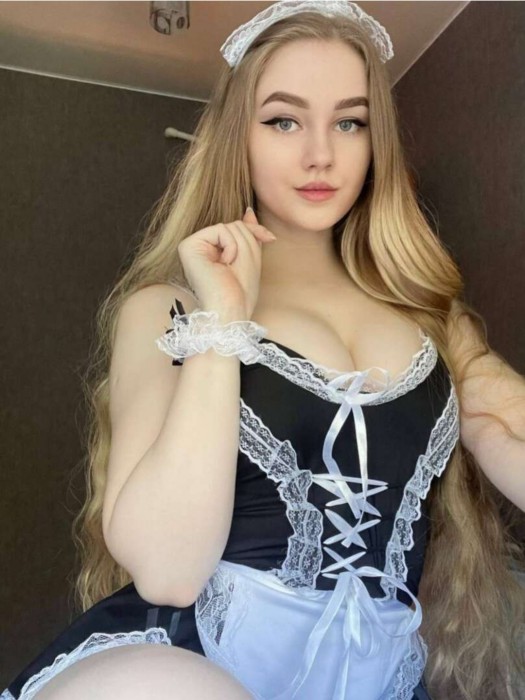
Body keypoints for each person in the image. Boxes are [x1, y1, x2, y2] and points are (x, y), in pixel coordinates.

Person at [3, 1, 525, 699]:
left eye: (350, 122)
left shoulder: (433, 320)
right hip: (193, 664)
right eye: (283, 120)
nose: (320, 154)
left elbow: (508, 429)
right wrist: (223, 324)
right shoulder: (168, 309)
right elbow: (167, 571)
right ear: (237, 137)